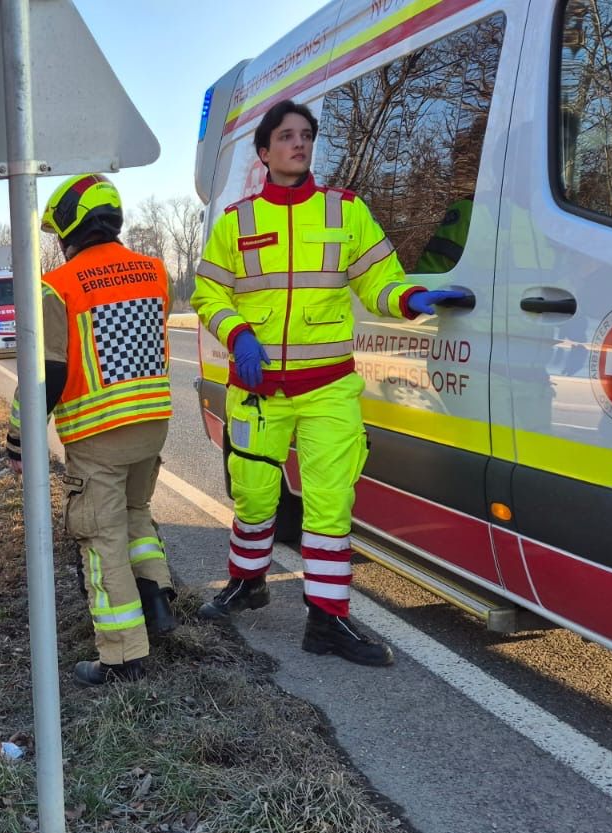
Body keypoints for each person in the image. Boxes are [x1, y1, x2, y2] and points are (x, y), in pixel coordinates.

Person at [191, 99, 467, 666]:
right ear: (264, 152)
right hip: (259, 391)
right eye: (286, 136)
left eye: (306, 135)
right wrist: (238, 335)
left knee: (329, 504)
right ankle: (248, 581)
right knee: (253, 495)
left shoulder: (346, 211)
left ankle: (327, 620)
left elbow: (379, 282)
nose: (299, 143)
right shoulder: (237, 221)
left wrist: (411, 299)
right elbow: (208, 293)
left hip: (327, 389)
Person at [5, 173, 176, 687]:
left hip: (99, 433)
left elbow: (47, 373)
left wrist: (19, 439)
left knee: (101, 538)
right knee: (135, 512)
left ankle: (123, 655)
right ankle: (157, 599)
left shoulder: (58, 285)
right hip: (152, 424)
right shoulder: (155, 272)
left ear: (70, 229)